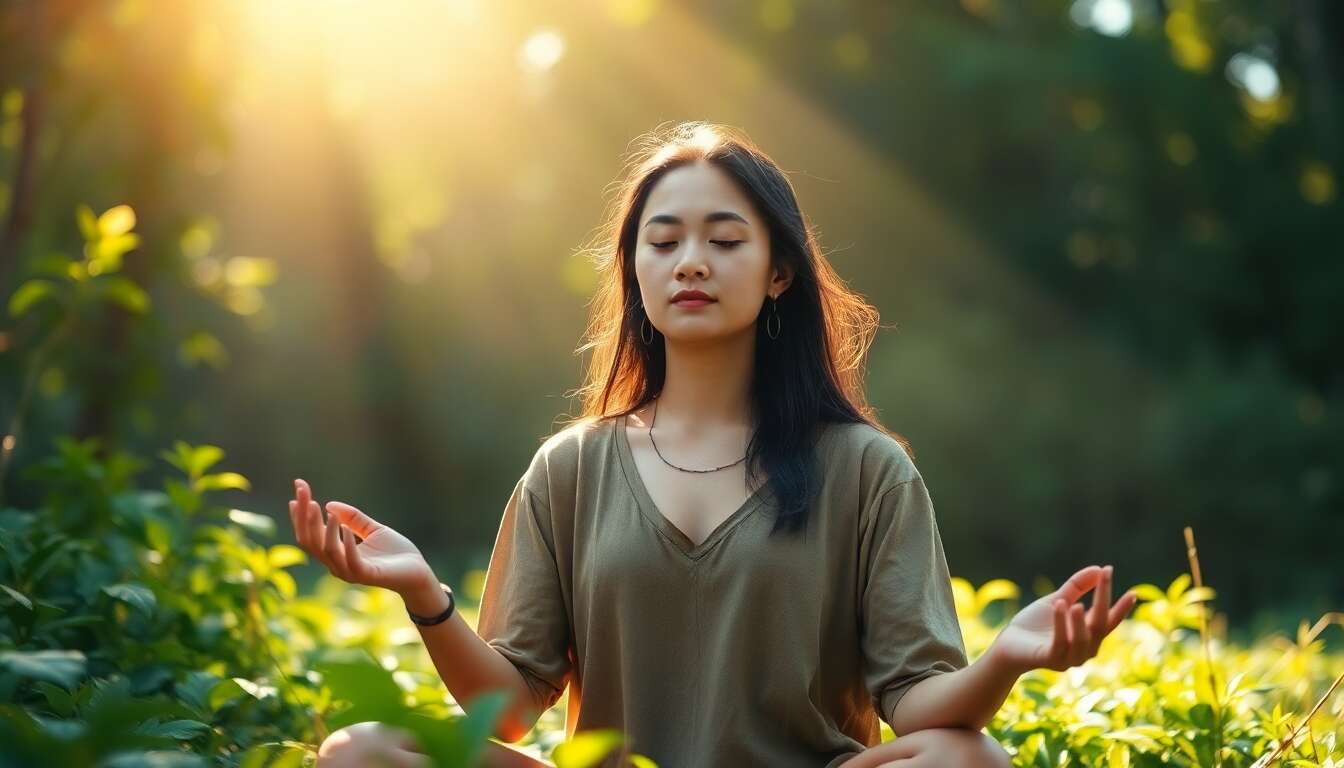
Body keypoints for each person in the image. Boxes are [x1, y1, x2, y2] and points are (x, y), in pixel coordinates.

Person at [290, 121, 1137, 768]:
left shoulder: (866, 470)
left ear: (779, 272)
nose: (691, 262)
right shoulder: (572, 468)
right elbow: (510, 713)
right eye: (663, 243)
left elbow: (919, 709)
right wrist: (424, 596)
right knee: (360, 752)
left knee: (968, 758)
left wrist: (1011, 658)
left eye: (725, 240)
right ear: (636, 273)